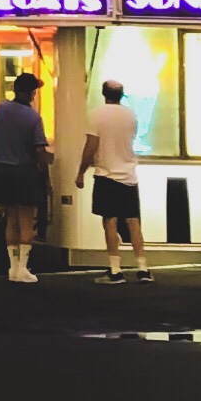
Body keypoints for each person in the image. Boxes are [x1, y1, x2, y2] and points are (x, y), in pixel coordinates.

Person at [0, 69, 52, 287]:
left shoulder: (1, 109)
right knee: (26, 220)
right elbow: (39, 149)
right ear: (31, 93)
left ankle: (12, 267)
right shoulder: (33, 116)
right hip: (24, 171)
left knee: (10, 219)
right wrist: (46, 170)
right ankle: (23, 268)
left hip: (2, 170)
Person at [84, 78, 147, 280]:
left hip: (106, 174)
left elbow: (91, 146)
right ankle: (143, 268)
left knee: (110, 222)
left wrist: (80, 171)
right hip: (129, 175)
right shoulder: (131, 115)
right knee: (133, 222)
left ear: (104, 94)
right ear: (121, 95)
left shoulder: (95, 115)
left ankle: (115, 270)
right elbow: (132, 139)